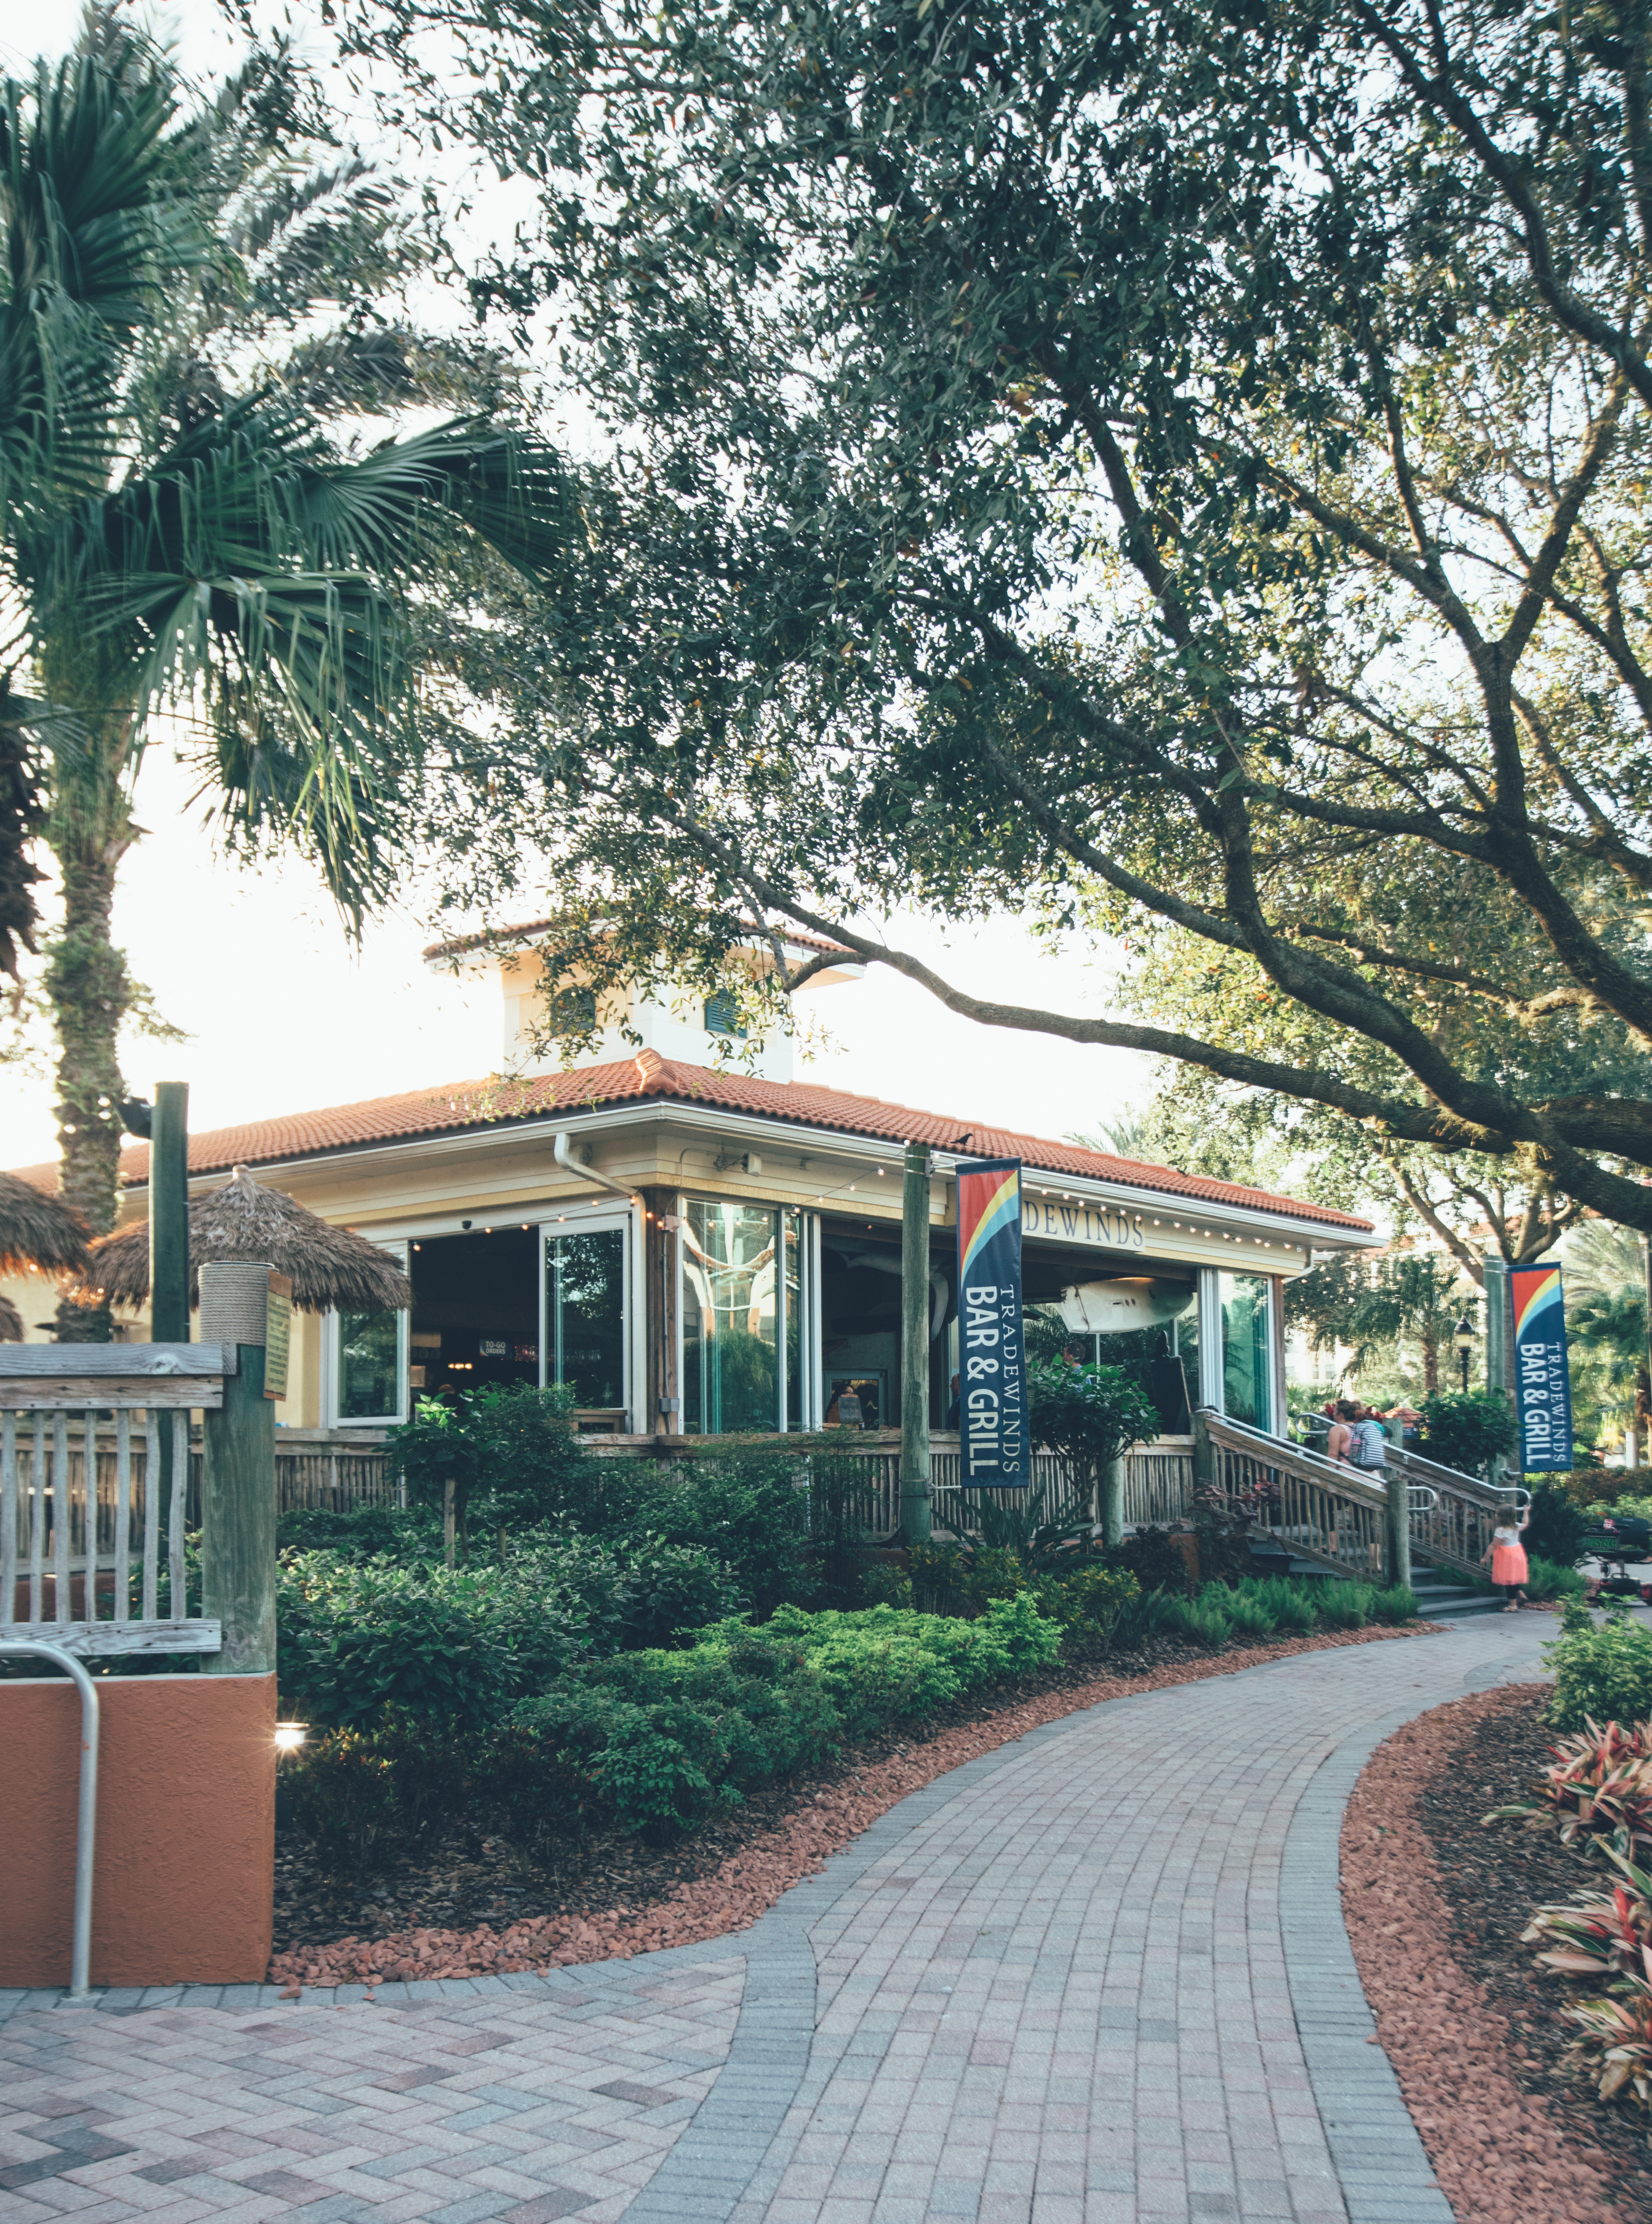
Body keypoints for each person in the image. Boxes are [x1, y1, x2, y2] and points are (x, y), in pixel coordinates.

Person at [1484, 1506, 1531, 1611]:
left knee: (1508, 1581)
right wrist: (1526, 1512)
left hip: (1507, 1556)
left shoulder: (1501, 1530)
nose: (1496, 1515)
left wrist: (1485, 1558)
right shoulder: (1516, 1526)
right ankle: (1520, 1593)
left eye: (1498, 1514)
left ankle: (1513, 1606)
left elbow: (1493, 1545)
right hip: (1517, 1554)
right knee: (1512, 1576)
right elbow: (1525, 1523)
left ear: (1502, 1517)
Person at [1326, 1399, 1357, 1464]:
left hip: (1349, 1473)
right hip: (1373, 1474)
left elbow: (1333, 1456)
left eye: (1334, 1411)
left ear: (1340, 1415)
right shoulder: (1359, 1429)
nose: (1333, 1414)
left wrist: (1329, 1474)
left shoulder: (1337, 1430)